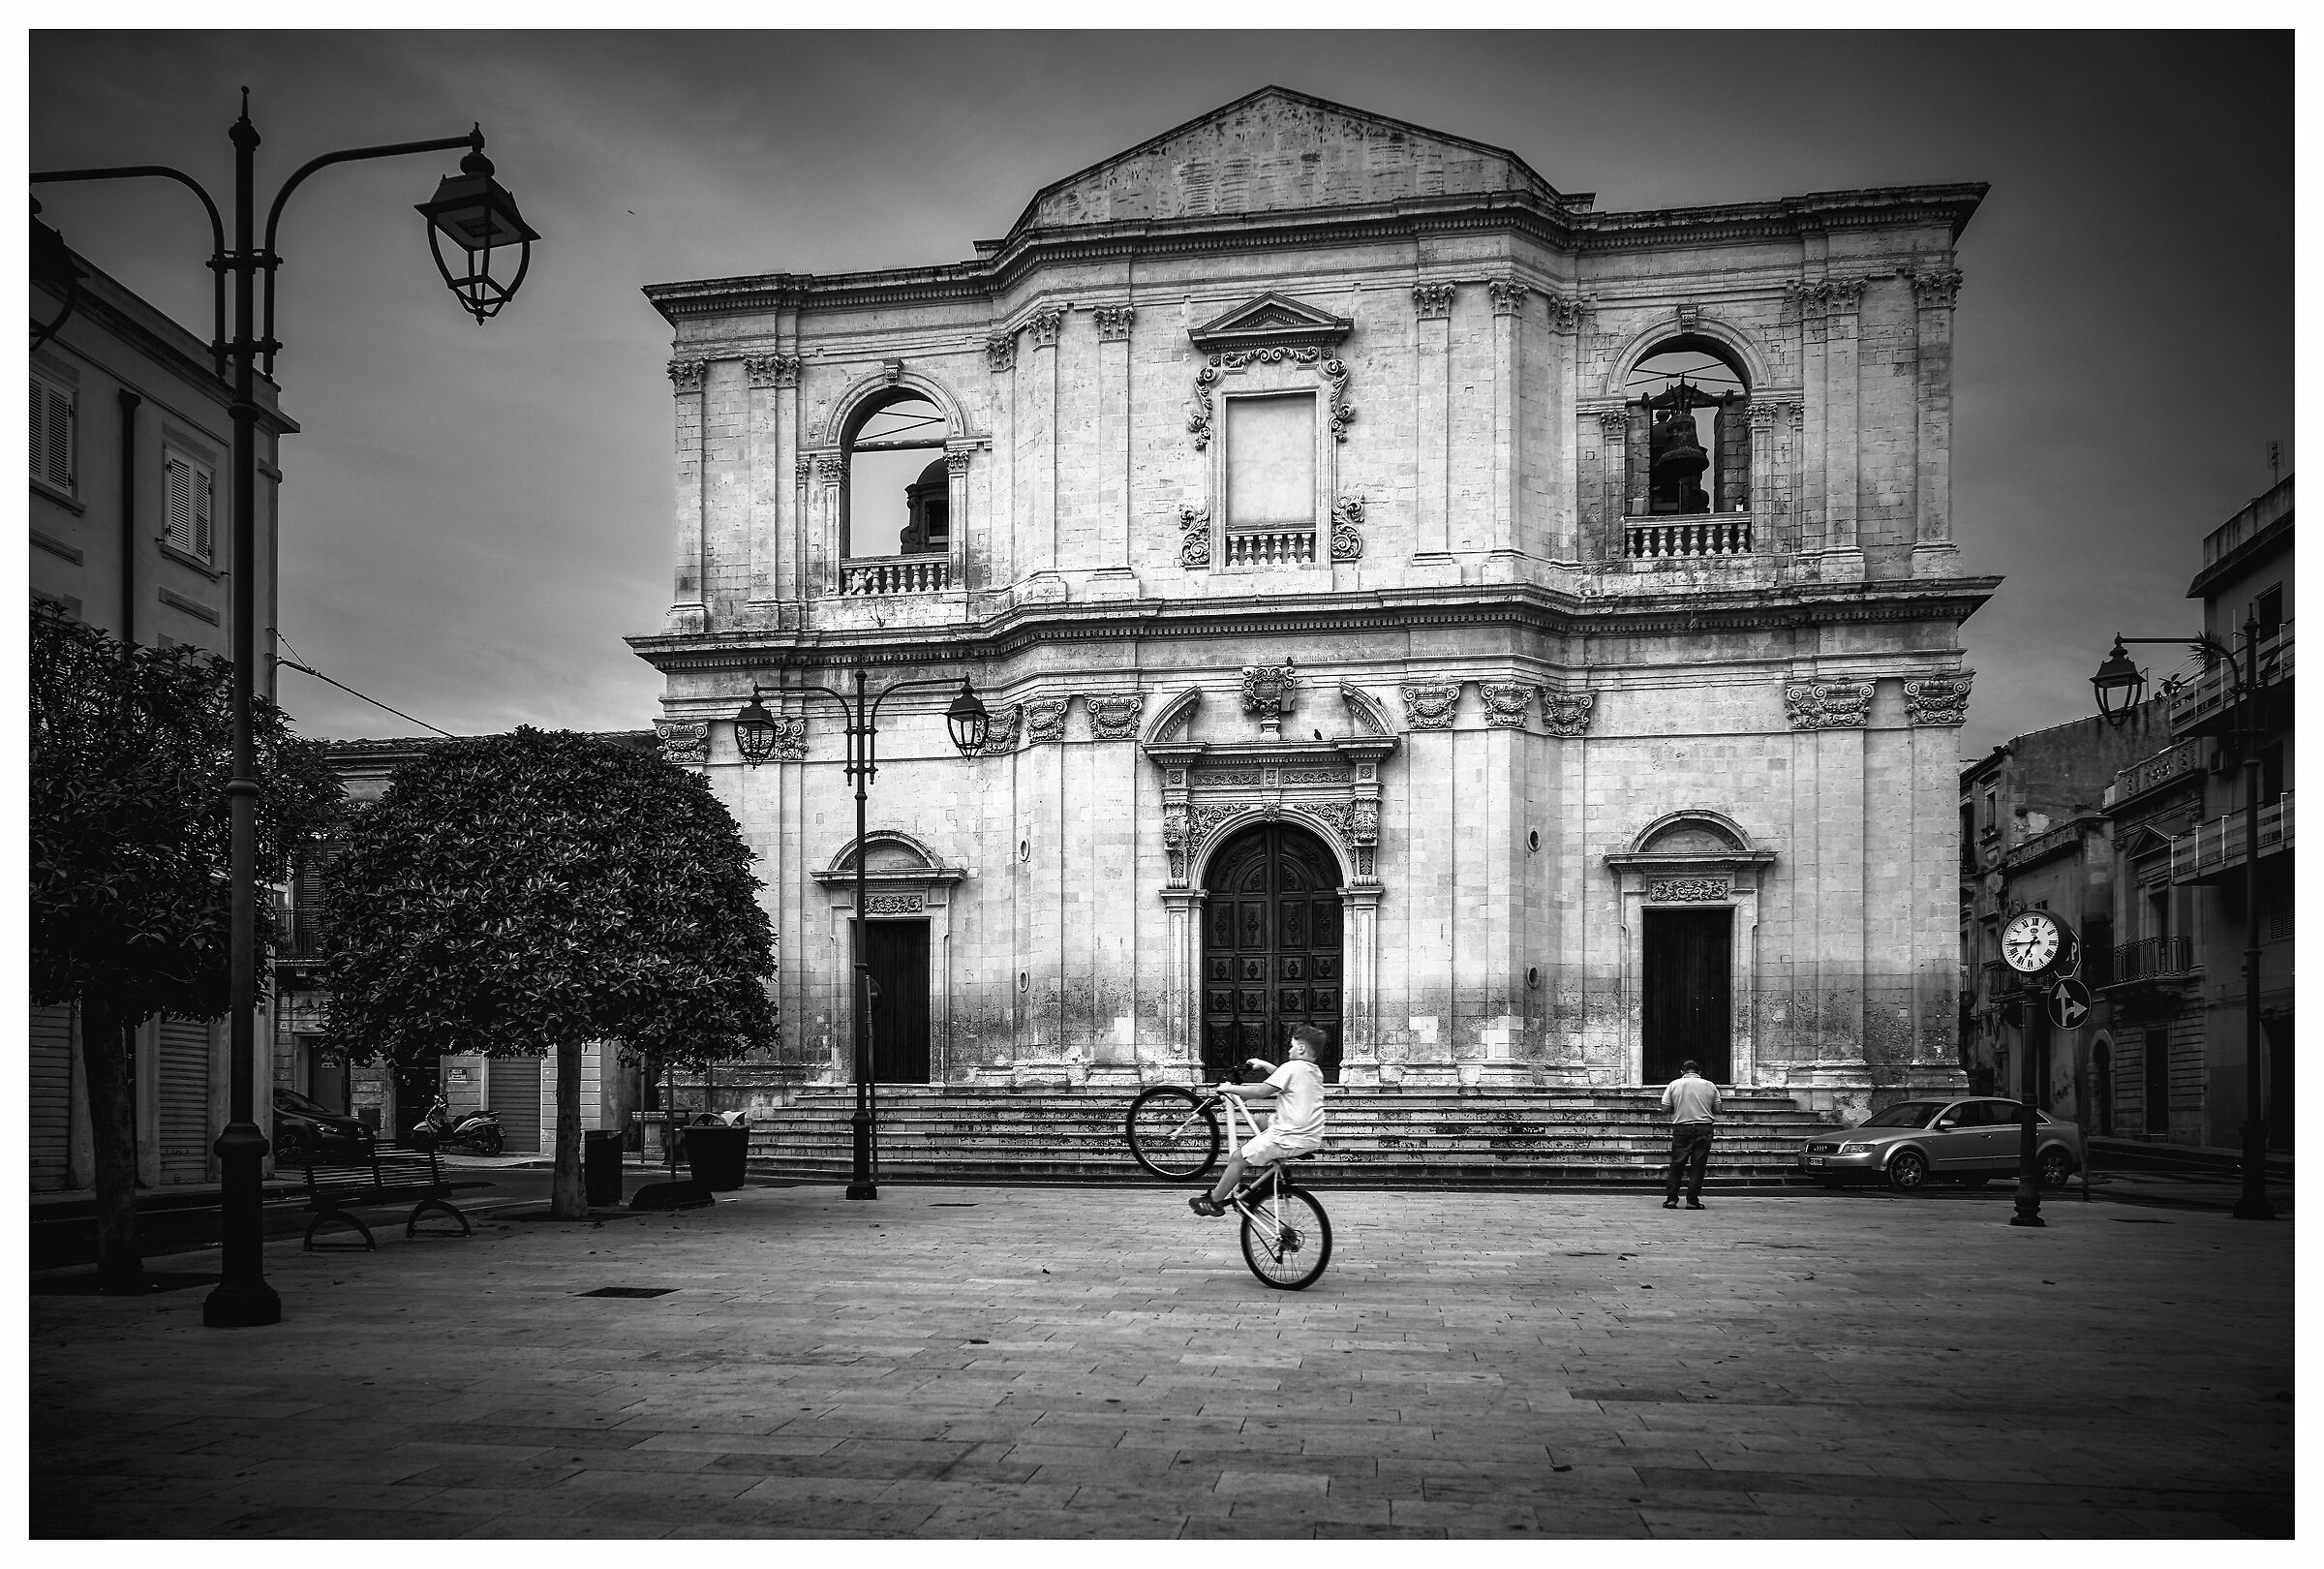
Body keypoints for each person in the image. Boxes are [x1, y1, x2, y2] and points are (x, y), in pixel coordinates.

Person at [1189, 1026, 1329, 1217]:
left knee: (1237, 1158)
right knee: (1260, 1122)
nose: (1289, 1050)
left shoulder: (1292, 1067)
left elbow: (1261, 1091)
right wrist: (1263, 1064)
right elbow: (1282, 1076)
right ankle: (1263, 1184)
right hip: (1311, 1135)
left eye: (1292, 1046)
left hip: (1288, 1134)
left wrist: (1231, 1088)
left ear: (1301, 1049)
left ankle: (1214, 1201)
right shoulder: (1313, 1071)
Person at [1660, 1059, 1720, 1210]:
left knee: (1677, 1164)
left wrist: (1680, 1107)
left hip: (1682, 1128)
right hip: (1704, 1128)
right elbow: (1718, 1109)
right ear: (1699, 1072)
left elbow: (1665, 1108)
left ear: (1682, 1072)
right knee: (1698, 1165)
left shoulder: (1674, 1084)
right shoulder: (1710, 1085)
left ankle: (1672, 1199)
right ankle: (1692, 1200)